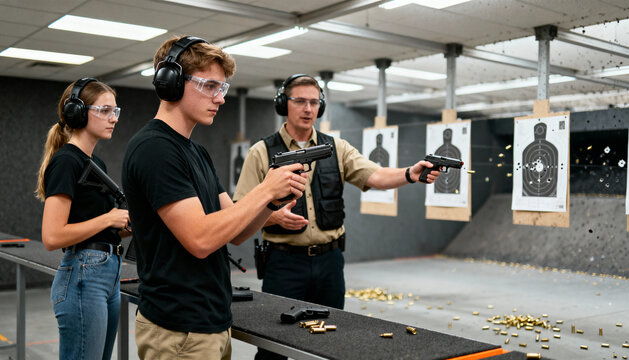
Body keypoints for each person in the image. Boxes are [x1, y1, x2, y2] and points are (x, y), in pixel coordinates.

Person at [121, 36, 307, 360]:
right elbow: (200, 239)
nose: (220, 99)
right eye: (210, 86)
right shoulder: (155, 149)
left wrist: (271, 202)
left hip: (209, 323)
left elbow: (233, 232)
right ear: (172, 82)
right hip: (178, 330)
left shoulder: (196, 152)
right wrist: (264, 189)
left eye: (222, 88)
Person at [233, 74, 441, 360]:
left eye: (314, 102)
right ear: (284, 104)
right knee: (272, 348)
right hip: (283, 263)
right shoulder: (261, 152)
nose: (308, 109)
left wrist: (410, 173)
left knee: (333, 341)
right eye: (300, 101)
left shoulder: (337, 148)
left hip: (329, 263)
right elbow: (239, 211)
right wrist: (274, 217)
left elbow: (376, 175)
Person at [35, 78, 130, 360]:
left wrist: (124, 224)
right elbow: (52, 237)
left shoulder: (95, 164)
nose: (113, 118)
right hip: (84, 275)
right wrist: (108, 219)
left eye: (115, 111)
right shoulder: (66, 161)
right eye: (104, 110)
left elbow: (100, 227)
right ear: (77, 112)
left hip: (107, 272)